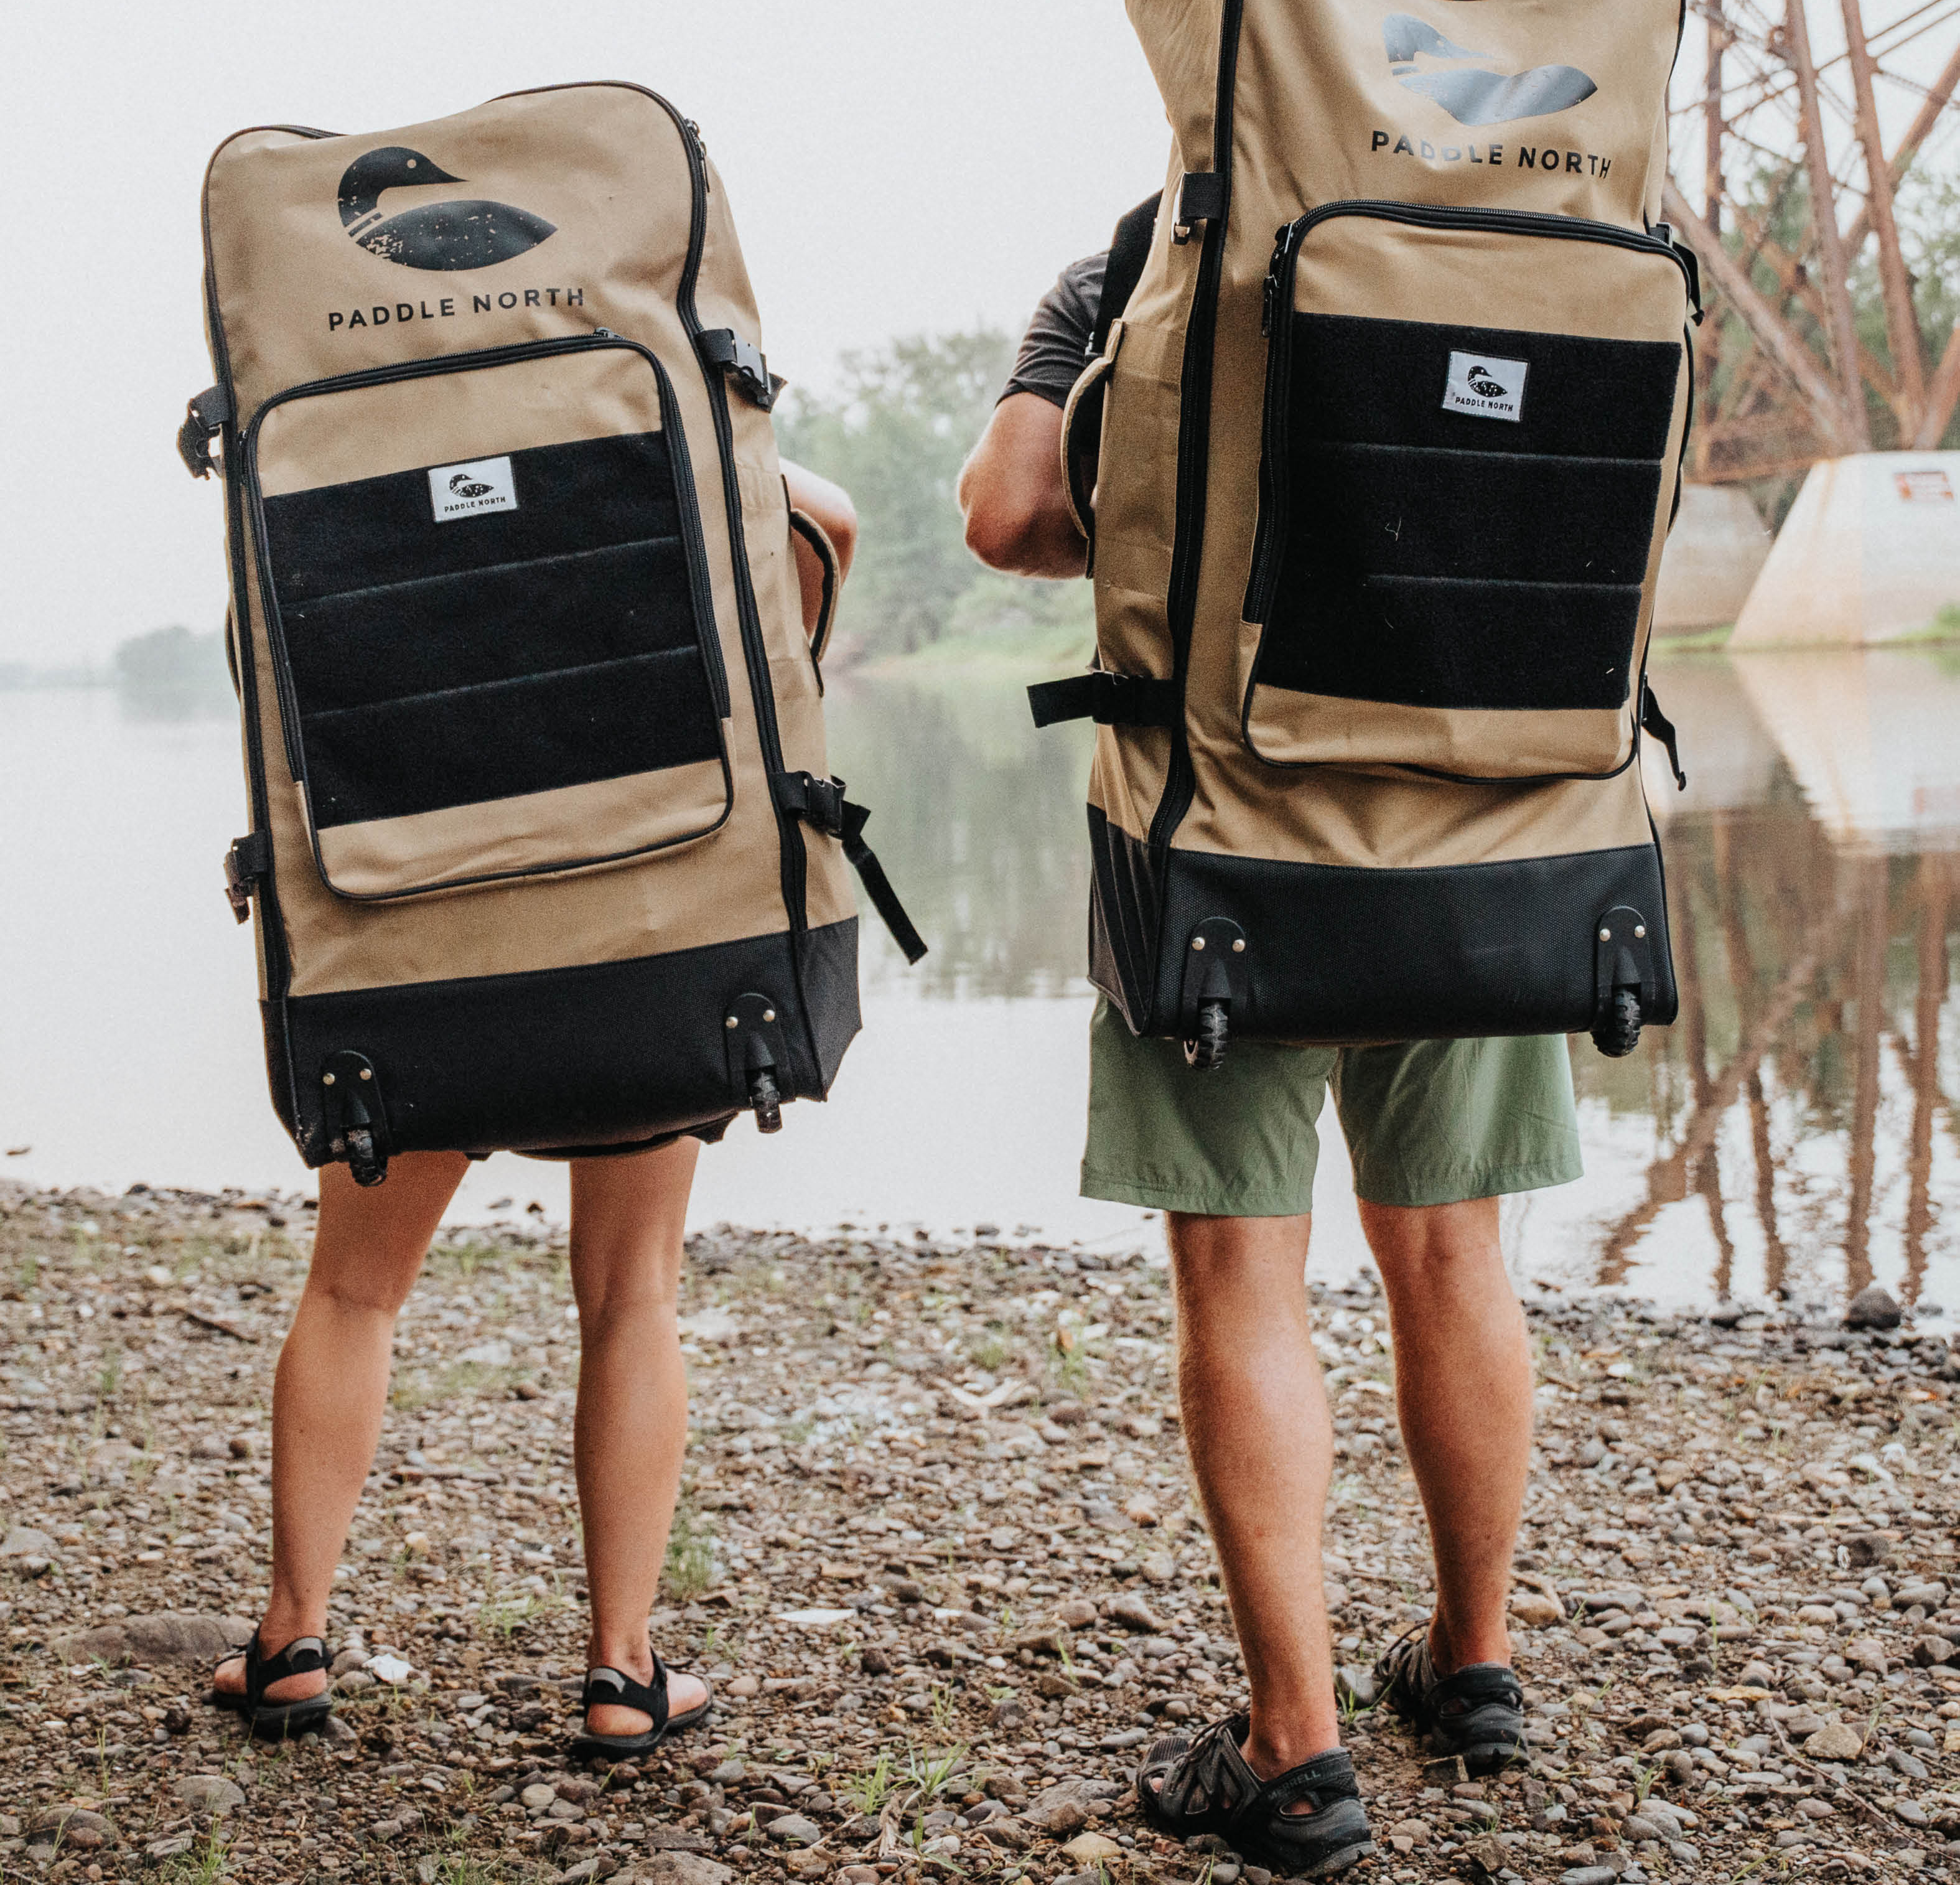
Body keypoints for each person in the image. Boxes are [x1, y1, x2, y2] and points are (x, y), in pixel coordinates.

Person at [958, 246, 1578, 1878]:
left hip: (1219, 831)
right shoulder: (1501, 249)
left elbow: (1007, 516)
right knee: (1452, 1249)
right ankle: (1474, 1664)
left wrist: (1168, 516)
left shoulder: (1130, 270)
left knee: (1243, 1269)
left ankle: (1294, 1748)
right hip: (1475, 813)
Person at [212, 464, 859, 1761]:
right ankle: (623, 1670)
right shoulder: (635, 454)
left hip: (412, 945)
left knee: (352, 1293)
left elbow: (268, 665)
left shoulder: (343, 478)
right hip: (637, 927)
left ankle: (290, 1644)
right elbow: (824, 520)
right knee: (630, 1296)